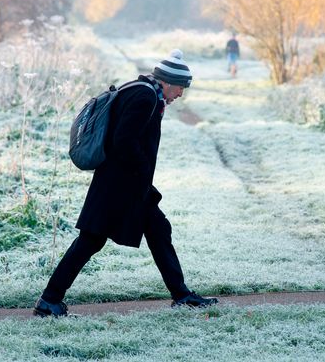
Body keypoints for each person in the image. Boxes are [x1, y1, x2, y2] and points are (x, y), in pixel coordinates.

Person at [33, 49, 218, 317]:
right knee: (90, 241)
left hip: (125, 184)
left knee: (158, 230)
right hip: (120, 186)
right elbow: (124, 141)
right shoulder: (144, 96)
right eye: (180, 88)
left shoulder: (141, 90)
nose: (180, 94)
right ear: (167, 81)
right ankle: (49, 301)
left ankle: (181, 295)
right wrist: (142, 168)